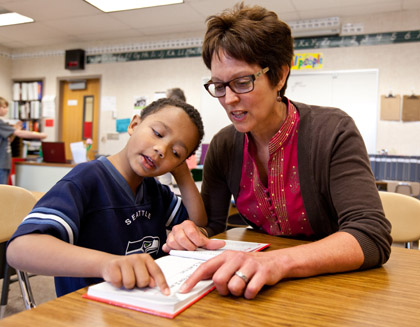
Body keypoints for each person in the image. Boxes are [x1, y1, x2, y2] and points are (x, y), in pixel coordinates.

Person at [163, 3, 392, 299]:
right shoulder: (224, 145)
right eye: (219, 85)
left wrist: (277, 262)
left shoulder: (332, 130)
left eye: (242, 82)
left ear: (280, 76)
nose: (228, 99)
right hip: (260, 288)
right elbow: (213, 227)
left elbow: (371, 235)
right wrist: (192, 234)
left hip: (336, 289)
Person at [7, 98, 212, 297]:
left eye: (175, 152)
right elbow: (19, 249)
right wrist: (107, 264)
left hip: (144, 301)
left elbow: (197, 221)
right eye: (157, 133)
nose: (161, 150)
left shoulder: (154, 190)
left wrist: (182, 171)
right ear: (134, 125)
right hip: (88, 310)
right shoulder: (86, 180)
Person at [0, 97, 47, 184]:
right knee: (2, 192)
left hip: (4, 162)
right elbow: (20, 133)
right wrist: (40, 135)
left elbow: (9, 140)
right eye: (4, 107)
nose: (7, 110)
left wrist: (15, 130)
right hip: (1, 164)